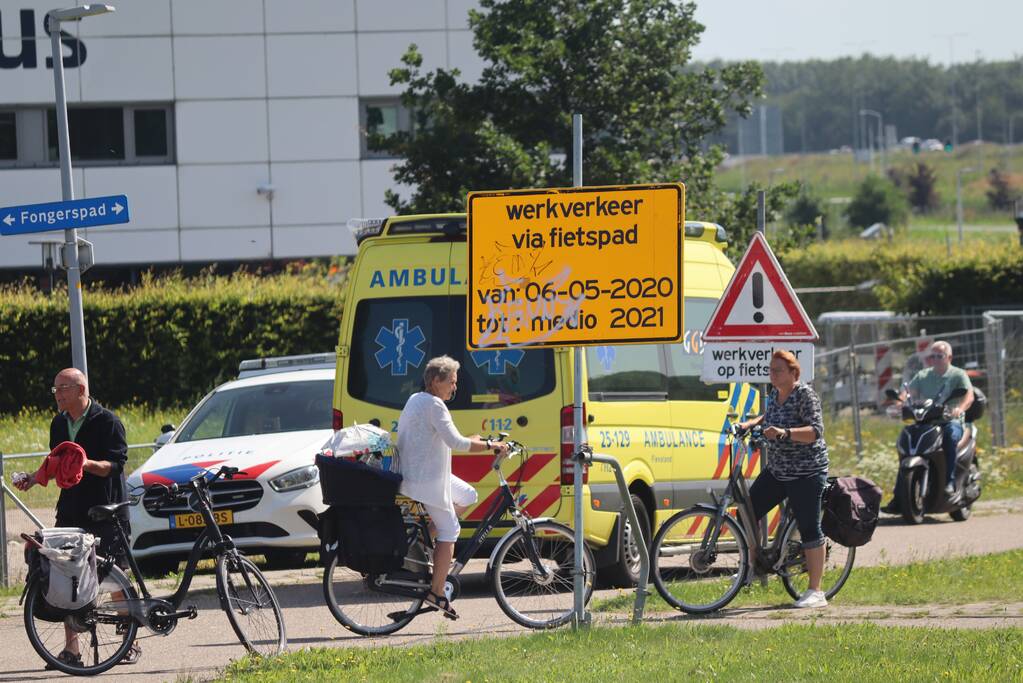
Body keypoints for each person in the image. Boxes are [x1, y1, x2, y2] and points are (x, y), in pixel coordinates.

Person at [15, 368, 139, 666]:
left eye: (62, 388)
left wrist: (87, 462)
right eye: (55, 389)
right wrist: (33, 479)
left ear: (80, 389)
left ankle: (126, 642)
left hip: (106, 509)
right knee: (67, 575)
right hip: (71, 509)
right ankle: (72, 651)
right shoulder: (58, 423)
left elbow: (116, 465)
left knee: (113, 575)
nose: (56, 394)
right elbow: (57, 462)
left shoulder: (108, 421)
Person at [396, 356, 509, 619]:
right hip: (427, 481)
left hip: (420, 475)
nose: (454, 388)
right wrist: (492, 446)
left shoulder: (416, 400)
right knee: (451, 529)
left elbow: (443, 439)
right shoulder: (435, 405)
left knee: (469, 494)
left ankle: (426, 537)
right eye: (451, 382)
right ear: (436, 381)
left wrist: (471, 440)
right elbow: (456, 444)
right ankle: (436, 592)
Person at [737, 350, 830, 609]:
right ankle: (755, 567)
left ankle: (816, 590)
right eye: (771, 369)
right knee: (746, 512)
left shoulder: (804, 395)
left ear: (793, 373)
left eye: (778, 370)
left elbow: (815, 432)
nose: (772, 374)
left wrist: (785, 433)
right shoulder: (774, 394)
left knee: (809, 527)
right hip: (778, 470)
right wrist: (749, 424)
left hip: (806, 471)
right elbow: (768, 417)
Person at [900, 341, 974, 496]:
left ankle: (950, 482)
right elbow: (908, 393)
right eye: (932, 356)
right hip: (927, 421)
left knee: (950, 436)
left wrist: (959, 408)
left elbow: (969, 396)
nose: (935, 359)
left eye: (939, 356)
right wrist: (899, 403)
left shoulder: (958, 374)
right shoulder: (923, 375)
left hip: (950, 421)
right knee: (906, 437)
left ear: (949, 357)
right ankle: (899, 494)